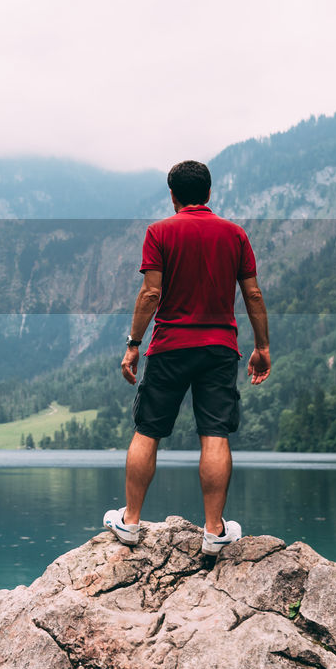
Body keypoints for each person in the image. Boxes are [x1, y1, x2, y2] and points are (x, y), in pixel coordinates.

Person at [104, 159, 270, 555]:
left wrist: (133, 343)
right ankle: (214, 531)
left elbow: (150, 294)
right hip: (219, 349)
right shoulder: (235, 234)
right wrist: (262, 347)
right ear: (209, 194)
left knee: (148, 430)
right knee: (215, 433)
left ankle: (130, 521)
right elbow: (253, 295)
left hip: (170, 347)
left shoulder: (159, 232)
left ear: (173, 195)